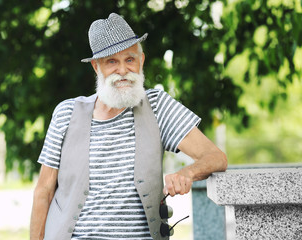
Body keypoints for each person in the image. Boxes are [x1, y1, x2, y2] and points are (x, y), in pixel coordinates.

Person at [30, 13, 227, 240]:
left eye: (130, 59)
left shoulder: (158, 106)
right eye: (112, 61)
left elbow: (216, 157)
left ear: (141, 61)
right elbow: (44, 191)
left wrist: (187, 173)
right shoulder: (66, 112)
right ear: (96, 67)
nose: (123, 70)